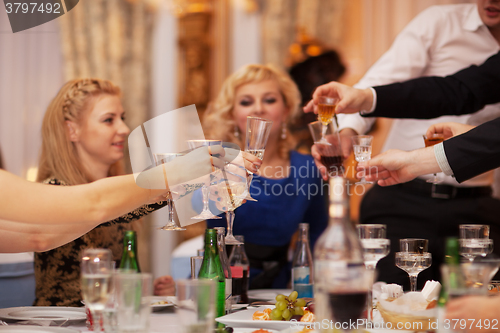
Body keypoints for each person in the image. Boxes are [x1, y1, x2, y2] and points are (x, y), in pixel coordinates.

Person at [306, 1, 500, 289]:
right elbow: (453, 90)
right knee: (392, 305)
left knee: (470, 313)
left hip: (476, 206)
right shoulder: (440, 22)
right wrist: (353, 121)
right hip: (403, 197)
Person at [30, 79, 260, 306]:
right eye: (108, 120)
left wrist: (151, 291)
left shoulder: (120, 192)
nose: (124, 129)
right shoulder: (55, 190)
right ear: (72, 130)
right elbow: (102, 205)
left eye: (122, 118)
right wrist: (196, 167)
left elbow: (148, 195)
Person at [202, 64, 328, 289]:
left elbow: (317, 235)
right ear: (232, 114)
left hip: (282, 286)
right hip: (223, 281)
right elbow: (213, 235)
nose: (258, 108)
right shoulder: (216, 163)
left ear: (286, 110)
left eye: (269, 100)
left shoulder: (308, 168)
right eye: (246, 102)